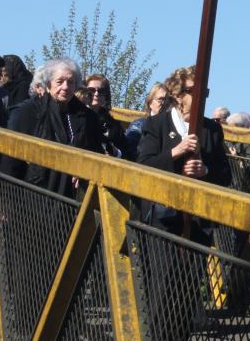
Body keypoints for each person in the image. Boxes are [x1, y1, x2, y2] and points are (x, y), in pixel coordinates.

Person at [136, 65, 232, 241]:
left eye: (205, 91)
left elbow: (226, 175)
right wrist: (177, 151)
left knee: (195, 268)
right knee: (162, 268)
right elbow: (144, 166)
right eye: (194, 91)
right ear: (178, 95)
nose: (201, 96)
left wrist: (205, 171)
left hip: (198, 222)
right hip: (163, 219)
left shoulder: (212, 129)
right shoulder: (156, 124)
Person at [0, 57, 103, 196]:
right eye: (59, 82)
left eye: (70, 82)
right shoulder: (27, 113)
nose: (65, 87)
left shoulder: (88, 118)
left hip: (71, 198)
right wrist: (6, 199)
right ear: (48, 84)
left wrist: (84, 171)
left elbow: (95, 154)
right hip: (31, 194)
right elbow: (10, 162)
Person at [84, 74, 132, 158]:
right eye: (91, 90)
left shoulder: (113, 125)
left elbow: (127, 153)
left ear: (106, 95)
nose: (96, 94)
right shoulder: (75, 116)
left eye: (101, 91)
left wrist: (115, 152)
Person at [125, 82, 167, 158]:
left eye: (167, 100)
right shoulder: (139, 125)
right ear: (150, 102)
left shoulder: (170, 129)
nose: (164, 103)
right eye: (160, 99)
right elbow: (128, 152)